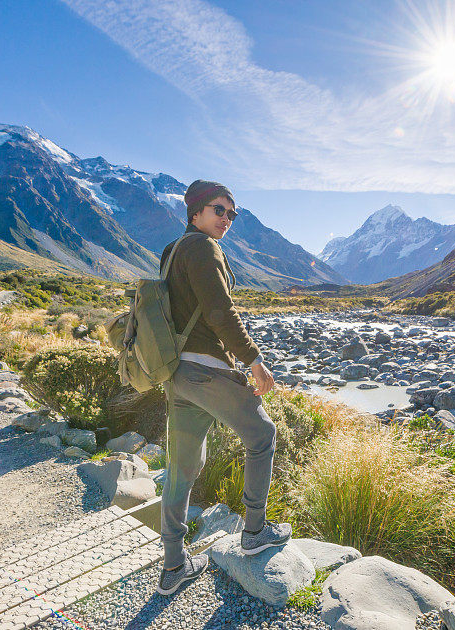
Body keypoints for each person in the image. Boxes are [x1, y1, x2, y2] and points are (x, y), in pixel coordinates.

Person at [156, 179, 291, 596]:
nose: (227, 219)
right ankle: (254, 532)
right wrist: (254, 361)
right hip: (207, 369)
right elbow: (219, 311)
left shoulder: (173, 250)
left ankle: (174, 565)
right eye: (219, 210)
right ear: (195, 212)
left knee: (182, 468)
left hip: (178, 376)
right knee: (263, 434)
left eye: (232, 213)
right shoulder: (202, 247)